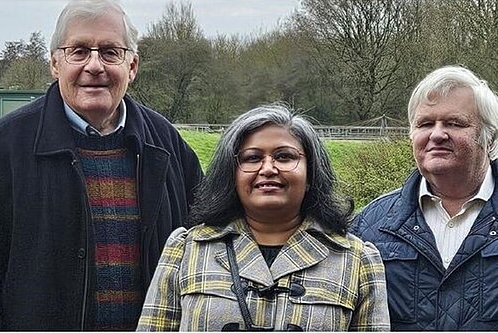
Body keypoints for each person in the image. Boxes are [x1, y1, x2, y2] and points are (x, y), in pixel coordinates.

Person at [0, 0, 203, 330]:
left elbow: (210, 239)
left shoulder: (166, 144)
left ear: (132, 66)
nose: (94, 65)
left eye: (110, 52)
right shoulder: (7, 146)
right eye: (78, 51)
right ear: (55, 63)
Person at [137, 104, 390, 331]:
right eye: (252, 158)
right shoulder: (185, 250)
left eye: (284, 156)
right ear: (231, 175)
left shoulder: (358, 260)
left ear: (311, 173)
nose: (268, 168)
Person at [353, 65, 498, 330]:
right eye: (425, 124)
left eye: (455, 123)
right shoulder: (368, 228)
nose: (437, 134)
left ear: (489, 138)